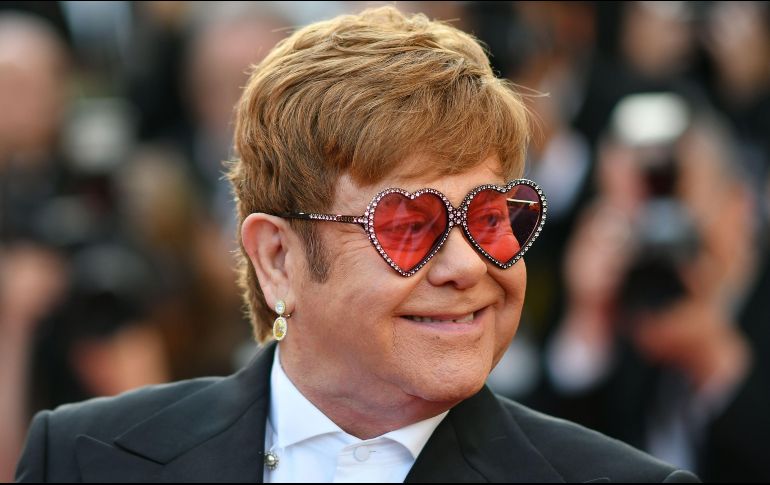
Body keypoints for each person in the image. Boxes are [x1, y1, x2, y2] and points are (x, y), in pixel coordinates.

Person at [15, 7, 699, 483]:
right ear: (278, 258)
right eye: (410, 226)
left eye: (493, 219)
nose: (468, 267)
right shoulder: (83, 455)